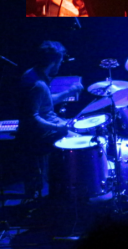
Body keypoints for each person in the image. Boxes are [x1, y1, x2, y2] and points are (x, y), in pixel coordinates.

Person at [17, 41, 83, 199]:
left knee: (79, 133)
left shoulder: (35, 74)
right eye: (59, 62)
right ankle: (72, 191)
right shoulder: (37, 84)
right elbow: (32, 117)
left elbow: (45, 102)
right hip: (39, 134)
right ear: (54, 62)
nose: (60, 65)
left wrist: (69, 92)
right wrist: (58, 127)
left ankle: (64, 188)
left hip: (45, 126)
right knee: (82, 144)